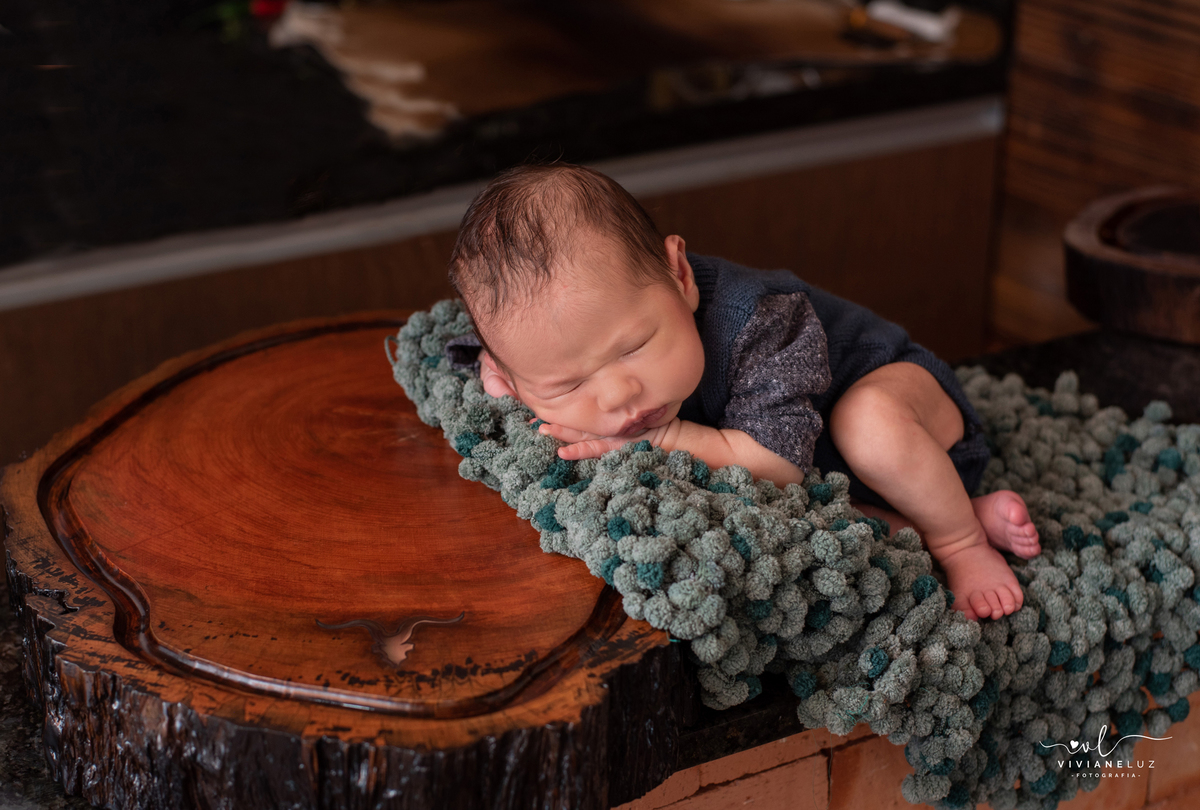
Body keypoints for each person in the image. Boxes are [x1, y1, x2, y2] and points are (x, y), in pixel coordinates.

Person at [447, 163, 1040, 621]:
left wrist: (668, 437)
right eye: (569, 384)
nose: (618, 396)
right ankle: (961, 514)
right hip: (834, 475)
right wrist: (506, 382)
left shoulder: (758, 320)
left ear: (679, 277)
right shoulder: (524, 366)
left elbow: (778, 465)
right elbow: (505, 360)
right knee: (812, 519)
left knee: (867, 424)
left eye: (633, 348)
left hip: (906, 411)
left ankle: (959, 541)